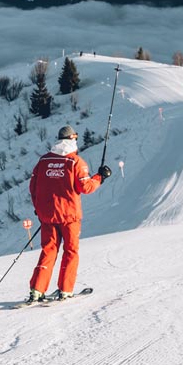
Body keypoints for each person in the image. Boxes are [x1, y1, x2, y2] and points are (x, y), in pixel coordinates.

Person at [27, 125, 111, 302]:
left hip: (48, 216)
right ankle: (65, 289)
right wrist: (100, 177)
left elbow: (33, 188)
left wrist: (39, 208)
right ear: (73, 139)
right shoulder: (75, 162)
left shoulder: (43, 161)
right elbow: (86, 187)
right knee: (70, 251)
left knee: (48, 251)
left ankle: (37, 290)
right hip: (69, 216)